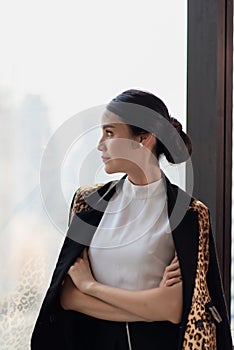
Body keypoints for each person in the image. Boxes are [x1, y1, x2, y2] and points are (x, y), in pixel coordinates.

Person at [31, 89, 233, 350]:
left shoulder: (190, 214)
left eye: (110, 133)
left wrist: (89, 285)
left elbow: (175, 308)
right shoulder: (87, 202)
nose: (100, 144)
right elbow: (68, 297)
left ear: (144, 138)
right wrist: (151, 306)